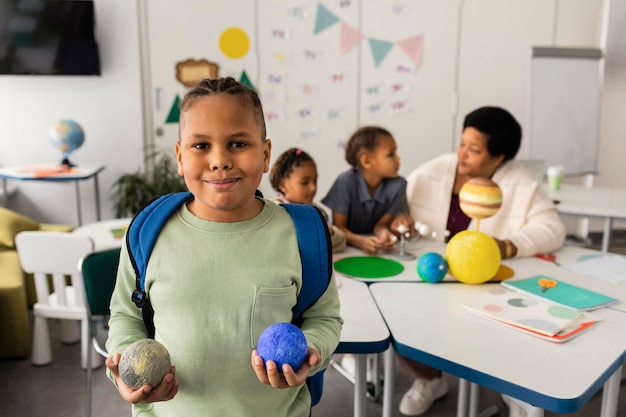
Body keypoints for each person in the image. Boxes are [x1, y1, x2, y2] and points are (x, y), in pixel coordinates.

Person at [104, 77, 343, 417]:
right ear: (179, 156)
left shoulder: (301, 234)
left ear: (265, 154)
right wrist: (127, 367)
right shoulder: (149, 234)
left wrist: (311, 351)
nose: (219, 160)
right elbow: (126, 317)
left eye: (238, 144)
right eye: (201, 146)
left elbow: (324, 318)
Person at [397, 106, 566, 417]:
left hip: (486, 283)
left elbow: (552, 230)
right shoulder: (435, 172)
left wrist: (505, 246)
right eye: (462, 143)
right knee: (401, 317)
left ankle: (513, 388)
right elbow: (395, 208)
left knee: (510, 326)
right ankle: (429, 379)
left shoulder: (520, 183)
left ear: (498, 157)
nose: (462, 154)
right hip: (432, 277)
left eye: (474, 150)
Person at [321, 126, 414, 254]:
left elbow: (381, 225)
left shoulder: (399, 185)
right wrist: (360, 241)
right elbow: (338, 227)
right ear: (367, 161)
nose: (398, 159)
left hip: (374, 249)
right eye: (390, 154)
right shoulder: (345, 182)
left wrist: (384, 234)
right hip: (343, 249)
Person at [269, 147, 347, 252]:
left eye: (315, 181)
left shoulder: (317, 211)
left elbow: (341, 243)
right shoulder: (274, 210)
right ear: (283, 185)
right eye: (305, 182)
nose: (313, 188)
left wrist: (330, 232)